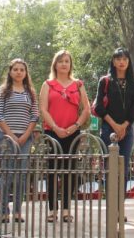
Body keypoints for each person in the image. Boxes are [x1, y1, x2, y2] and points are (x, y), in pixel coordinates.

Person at [39, 49, 90, 223]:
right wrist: (55, 127)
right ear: (55, 64)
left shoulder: (78, 85)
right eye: (60, 61)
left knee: (70, 171)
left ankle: (66, 209)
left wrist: (75, 126)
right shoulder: (47, 84)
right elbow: (43, 109)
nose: (63, 64)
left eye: (66, 61)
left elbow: (86, 109)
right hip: (52, 132)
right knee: (53, 171)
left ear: (70, 65)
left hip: (73, 133)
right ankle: (52, 210)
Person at [0, 58, 39, 223]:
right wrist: (12, 136)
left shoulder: (30, 92)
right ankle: (4, 211)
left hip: (25, 139)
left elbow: (35, 115)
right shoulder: (3, 90)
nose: (19, 72)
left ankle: (18, 211)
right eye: (16, 69)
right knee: (7, 175)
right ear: (10, 72)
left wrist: (26, 135)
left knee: (21, 176)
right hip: (6, 138)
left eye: (22, 69)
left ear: (26, 73)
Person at [92, 47, 134, 188]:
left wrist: (123, 127)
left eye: (125, 59)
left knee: (124, 167)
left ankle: (121, 205)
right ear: (113, 62)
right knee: (110, 167)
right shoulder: (105, 81)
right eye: (118, 59)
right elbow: (99, 107)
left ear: (129, 62)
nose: (121, 62)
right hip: (108, 128)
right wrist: (115, 126)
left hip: (127, 129)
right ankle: (111, 205)